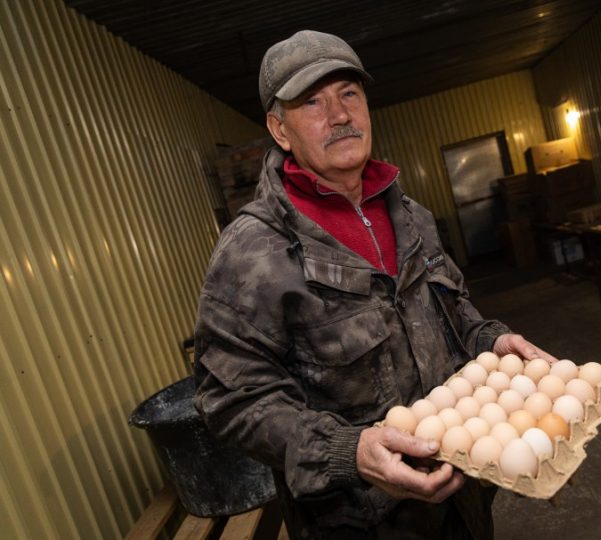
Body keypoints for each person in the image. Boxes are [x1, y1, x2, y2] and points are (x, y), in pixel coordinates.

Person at [193, 29, 557, 539]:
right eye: (312, 102)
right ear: (280, 130)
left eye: (349, 93)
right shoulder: (252, 253)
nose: (339, 114)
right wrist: (349, 451)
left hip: (463, 499)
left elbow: (456, 316)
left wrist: (492, 340)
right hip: (360, 521)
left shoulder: (414, 218)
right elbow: (232, 399)